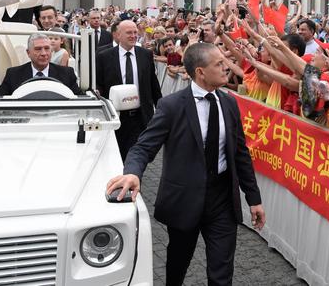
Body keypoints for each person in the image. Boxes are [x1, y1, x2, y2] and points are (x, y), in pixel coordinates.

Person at [106, 42, 265, 286]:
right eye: (219, 64)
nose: (227, 68)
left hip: (222, 199)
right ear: (200, 72)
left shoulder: (229, 103)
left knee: (221, 274)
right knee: (178, 264)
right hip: (184, 199)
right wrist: (132, 173)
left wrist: (253, 198)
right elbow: (144, 146)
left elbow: (240, 153)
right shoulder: (172, 106)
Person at [96, 20, 162, 159]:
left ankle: (134, 178)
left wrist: (161, 109)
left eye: (135, 32)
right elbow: (99, 84)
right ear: (118, 35)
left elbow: (153, 83)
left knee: (138, 154)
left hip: (141, 115)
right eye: (129, 33)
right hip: (116, 115)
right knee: (117, 154)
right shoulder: (104, 56)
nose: (133, 36)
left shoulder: (145, 54)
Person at [0, 33, 79, 96]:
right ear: (28, 53)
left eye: (47, 48)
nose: (43, 53)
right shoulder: (13, 74)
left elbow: (80, 100)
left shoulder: (67, 74)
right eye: (38, 49)